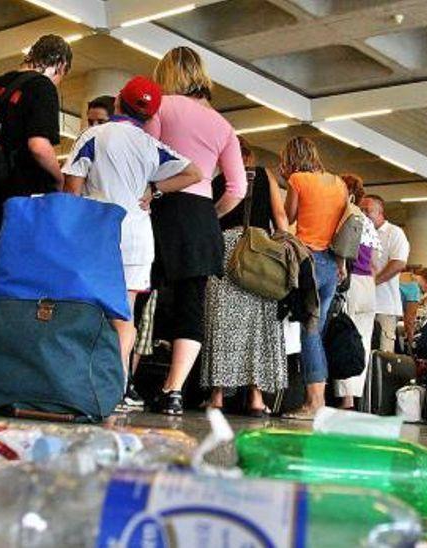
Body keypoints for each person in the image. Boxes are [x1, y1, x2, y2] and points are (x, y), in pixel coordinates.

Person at [61, 76, 202, 384]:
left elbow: (70, 190)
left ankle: (74, 382)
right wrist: (155, 188)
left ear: (116, 102)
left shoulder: (94, 135)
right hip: (137, 239)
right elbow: (195, 173)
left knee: (83, 307)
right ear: (150, 116)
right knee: (124, 316)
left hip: (97, 234)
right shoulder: (151, 145)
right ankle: (117, 386)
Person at [143, 47, 246, 415]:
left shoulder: (160, 107)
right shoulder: (223, 125)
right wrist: (210, 215)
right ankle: (173, 391)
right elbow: (237, 189)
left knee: (138, 294)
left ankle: (122, 381)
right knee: (191, 305)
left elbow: (148, 157)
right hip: (200, 215)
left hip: (158, 207)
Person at [0, 34, 72, 311]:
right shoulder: (42, 86)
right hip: (23, 201)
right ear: (59, 65)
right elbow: (38, 145)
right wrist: (60, 179)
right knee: (15, 283)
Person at [201, 140, 289, 416]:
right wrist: (282, 248)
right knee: (259, 326)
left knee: (221, 322)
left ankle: (217, 396)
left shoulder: (217, 181)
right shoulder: (264, 175)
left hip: (225, 250)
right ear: (249, 157)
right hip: (259, 253)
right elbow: (281, 217)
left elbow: (208, 219)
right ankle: (256, 397)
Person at [279, 136, 347, 420]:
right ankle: (317, 399)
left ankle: (314, 403)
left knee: (308, 332)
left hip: (308, 261)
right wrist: (342, 263)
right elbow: (344, 227)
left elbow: (287, 216)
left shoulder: (298, 180)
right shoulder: (338, 183)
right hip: (333, 263)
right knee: (315, 331)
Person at [334, 173, 380, 409]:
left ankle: (345, 397)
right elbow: (373, 262)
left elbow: (342, 249)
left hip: (350, 281)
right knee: (362, 340)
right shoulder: (369, 223)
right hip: (368, 285)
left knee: (344, 335)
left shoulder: (346, 215)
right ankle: (355, 395)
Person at [361, 195, 409, 354]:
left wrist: (373, 282)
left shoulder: (394, 233)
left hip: (385, 306)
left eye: (367, 211)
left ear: (380, 212)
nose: (363, 214)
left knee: (382, 355)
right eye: (361, 210)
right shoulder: (361, 234)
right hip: (363, 305)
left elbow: (398, 263)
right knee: (362, 352)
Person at [402, 268, 427, 347]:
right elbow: (410, 320)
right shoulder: (415, 289)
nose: (425, 293)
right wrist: (410, 342)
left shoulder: (406, 277)